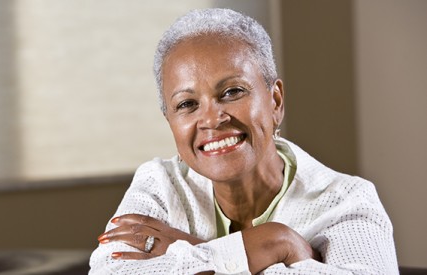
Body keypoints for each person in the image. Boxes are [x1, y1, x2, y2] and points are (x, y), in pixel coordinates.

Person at [89, 8, 398, 274]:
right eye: (187, 104)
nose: (212, 119)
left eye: (233, 92)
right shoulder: (159, 184)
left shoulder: (348, 202)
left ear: (275, 101)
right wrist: (277, 244)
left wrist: (200, 251)